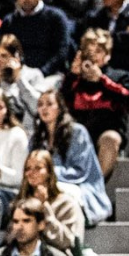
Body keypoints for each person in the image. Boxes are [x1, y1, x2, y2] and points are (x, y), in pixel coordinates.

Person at [61, 28, 129, 180]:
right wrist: (72, 76)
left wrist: (102, 80)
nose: (93, 56)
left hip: (107, 130)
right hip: (79, 132)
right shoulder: (75, 80)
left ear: (107, 54)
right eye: (89, 52)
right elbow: (62, 103)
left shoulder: (120, 76)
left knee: (110, 139)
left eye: (98, 51)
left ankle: (96, 184)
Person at [30, 88, 112, 226]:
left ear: (60, 108)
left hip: (79, 185)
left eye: (49, 104)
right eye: (40, 104)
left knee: (59, 194)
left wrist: (48, 173)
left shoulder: (77, 132)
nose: (44, 108)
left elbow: (80, 171)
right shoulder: (36, 138)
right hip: (44, 184)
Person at [16, 149, 83, 256]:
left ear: (48, 172)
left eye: (38, 168)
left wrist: (45, 208)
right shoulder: (20, 202)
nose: (32, 173)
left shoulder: (66, 203)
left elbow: (67, 241)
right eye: (28, 168)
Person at [0, 34, 48, 132]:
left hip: (25, 133)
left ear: (17, 56)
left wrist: (19, 80)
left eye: (4, 56)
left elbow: (37, 109)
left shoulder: (34, 75)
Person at [0, 0, 73, 78]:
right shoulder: (9, 21)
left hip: (51, 74)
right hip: (18, 74)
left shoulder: (56, 17)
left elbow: (61, 52)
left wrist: (42, 72)